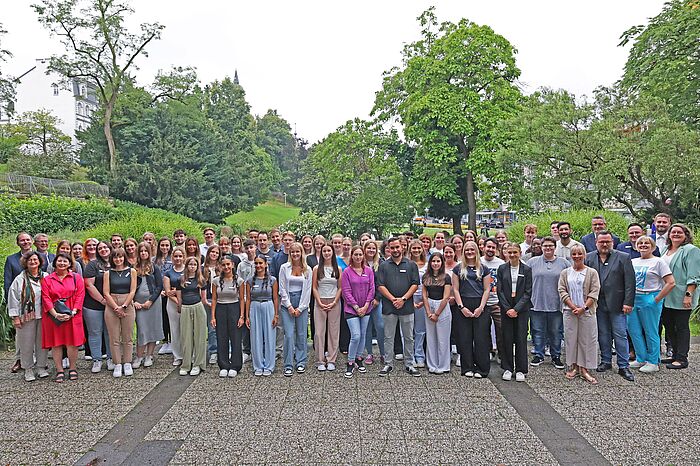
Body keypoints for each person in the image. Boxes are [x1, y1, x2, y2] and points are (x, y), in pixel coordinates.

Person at [584, 231, 636, 382]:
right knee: (603, 334)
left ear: (612, 242)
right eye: (602, 242)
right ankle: (606, 361)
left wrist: (628, 302)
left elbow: (630, 283)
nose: (604, 244)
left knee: (620, 335)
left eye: (607, 241)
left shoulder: (623, 257)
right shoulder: (589, 257)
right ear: (596, 243)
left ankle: (623, 365)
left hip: (618, 304)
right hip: (597, 304)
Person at [628, 236, 675, 373]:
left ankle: (653, 361)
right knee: (634, 330)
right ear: (636, 246)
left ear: (653, 246)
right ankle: (641, 357)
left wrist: (656, 300)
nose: (643, 245)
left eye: (646, 243)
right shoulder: (632, 261)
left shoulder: (658, 262)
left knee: (650, 330)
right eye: (640, 243)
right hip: (633, 299)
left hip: (650, 297)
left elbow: (671, 282)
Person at [376, 237, 421, 377]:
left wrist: (403, 299)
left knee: (408, 337)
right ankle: (388, 363)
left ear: (402, 247)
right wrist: (393, 299)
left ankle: (409, 363)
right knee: (388, 337)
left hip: (406, 306)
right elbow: (380, 285)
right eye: (392, 248)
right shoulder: (383, 265)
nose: (395, 250)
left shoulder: (411, 264)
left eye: (397, 247)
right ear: (388, 249)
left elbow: (415, 284)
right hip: (389, 307)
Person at [558, 244, 601, 384]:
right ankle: (574, 366)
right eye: (574, 254)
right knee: (571, 339)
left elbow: (594, 291)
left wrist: (583, 307)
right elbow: (562, 290)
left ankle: (584, 368)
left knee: (587, 339)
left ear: (584, 255)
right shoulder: (565, 272)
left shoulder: (592, 272)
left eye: (579, 254)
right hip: (569, 312)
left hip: (587, 311)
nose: (577, 256)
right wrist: (572, 306)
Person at [41, 253, 86, 382]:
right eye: (59, 261)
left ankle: (73, 368)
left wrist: (73, 311)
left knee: (72, 344)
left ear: (69, 263)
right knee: (56, 344)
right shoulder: (47, 279)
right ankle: (59, 369)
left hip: (73, 314)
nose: (62, 263)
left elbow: (80, 295)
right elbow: (45, 298)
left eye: (65, 261)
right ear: (54, 263)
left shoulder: (76, 278)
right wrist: (55, 314)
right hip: (53, 315)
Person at [660, 224, 700, 370]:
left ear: (686, 234)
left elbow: (694, 275)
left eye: (679, 232)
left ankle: (682, 358)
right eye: (673, 232)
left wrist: (688, 295)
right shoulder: (665, 249)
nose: (675, 234)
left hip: (682, 295)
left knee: (681, 326)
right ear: (669, 235)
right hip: (666, 295)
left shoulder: (691, 250)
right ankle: (674, 354)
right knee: (669, 325)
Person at [527, 237, 570, 369]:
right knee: (538, 330)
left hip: (556, 303)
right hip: (536, 302)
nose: (548, 248)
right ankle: (539, 354)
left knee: (556, 331)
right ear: (541, 247)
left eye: (551, 245)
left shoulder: (564, 263)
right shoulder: (532, 262)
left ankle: (555, 356)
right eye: (545, 246)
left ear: (555, 247)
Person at [452, 241, 492, 378]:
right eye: (467, 250)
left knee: (481, 338)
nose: (469, 252)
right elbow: (455, 290)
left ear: (476, 251)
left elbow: (487, 289)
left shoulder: (484, 268)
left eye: (472, 250)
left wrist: (481, 307)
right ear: (464, 251)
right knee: (465, 338)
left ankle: (482, 369)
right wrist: (461, 307)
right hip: (463, 305)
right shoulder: (458, 269)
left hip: (480, 305)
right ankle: (467, 367)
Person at [7, 251, 49, 381]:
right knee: (26, 344)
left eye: (35, 259)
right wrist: (15, 317)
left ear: (40, 262)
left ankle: (41, 367)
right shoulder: (20, 279)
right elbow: (12, 298)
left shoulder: (46, 277)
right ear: (25, 262)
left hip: (43, 315)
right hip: (26, 317)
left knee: (42, 343)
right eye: (30, 260)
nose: (33, 262)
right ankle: (28, 369)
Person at [497, 243, 532, 382]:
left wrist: (516, 309)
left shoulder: (527, 269)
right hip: (506, 308)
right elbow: (499, 290)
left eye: (515, 252)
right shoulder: (502, 268)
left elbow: (528, 292)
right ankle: (507, 368)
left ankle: (521, 369)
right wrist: (508, 309)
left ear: (520, 253)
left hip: (521, 309)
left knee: (521, 339)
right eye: (509, 252)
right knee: (506, 338)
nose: (512, 255)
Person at [278, 242, 313, 376]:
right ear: (290, 253)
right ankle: (288, 364)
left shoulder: (307, 269)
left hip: (301, 301)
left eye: (297, 252)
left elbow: (308, 290)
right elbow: (282, 289)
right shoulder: (284, 268)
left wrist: (301, 307)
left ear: (301, 253)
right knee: (289, 334)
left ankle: (301, 362)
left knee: (301, 334)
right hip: (287, 303)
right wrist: (289, 306)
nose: (295, 254)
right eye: (293, 252)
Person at [341, 246, 375, 378]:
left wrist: (366, 306)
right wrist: (356, 307)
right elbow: (346, 292)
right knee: (355, 335)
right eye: (356, 254)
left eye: (360, 254)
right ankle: (350, 361)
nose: (358, 257)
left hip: (366, 308)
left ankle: (359, 358)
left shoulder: (369, 271)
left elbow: (372, 289)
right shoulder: (347, 272)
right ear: (352, 256)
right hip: (351, 309)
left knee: (362, 334)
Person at [103, 248, 137, 378]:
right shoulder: (108, 273)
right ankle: (117, 363)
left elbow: (132, 290)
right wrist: (116, 308)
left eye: (121, 257)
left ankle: (127, 361)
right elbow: (106, 292)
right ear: (112, 259)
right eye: (116, 257)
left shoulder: (132, 271)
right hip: (112, 304)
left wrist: (124, 306)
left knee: (127, 336)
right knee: (114, 337)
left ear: (124, 258)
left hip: (127, 303)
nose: (118, 260)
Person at [4, 232, 34, 373]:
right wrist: (12, 305)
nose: (25, 242)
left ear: (32, 241)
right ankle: (19, 359)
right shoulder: (11, 260)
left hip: (36, 301)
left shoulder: (39, 257)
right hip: (20, 301)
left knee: (37, 332)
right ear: (18, 243)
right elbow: (8, 282)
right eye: (22, 240)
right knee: (20, 332)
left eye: (27, 239)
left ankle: (37, 360)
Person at [211, 255, 245, 378]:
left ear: (232, 265)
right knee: (222, 337)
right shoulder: (215, 281)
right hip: (220, 309)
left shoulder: (239, 281)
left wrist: (242, 316)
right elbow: (214, 299)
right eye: (223, 265)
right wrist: (213, 316)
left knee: (235, 337)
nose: (226, 267)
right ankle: (224, 365)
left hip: (234, 308)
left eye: (228, 264)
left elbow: (242, 299)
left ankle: (235, 365)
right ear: (220, 266)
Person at [245, 256, 279, 376]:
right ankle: (258, 365)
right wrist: (247, 316)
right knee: (256, 337)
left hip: (268, 306)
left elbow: (275, 298)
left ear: (265, 264)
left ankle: (269, 365)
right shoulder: (249, 281)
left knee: (269, 336)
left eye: (260, 263)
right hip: (254, 307)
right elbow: (248, 299)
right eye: (256, 263)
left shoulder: (272, 280)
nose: (258, 265)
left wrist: (276, 315)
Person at [82, 241, 113, 373]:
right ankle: (97, 360)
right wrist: (102, 300)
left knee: (110, 332)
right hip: (93, 305)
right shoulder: (92, 265)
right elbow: (89, 285)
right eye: (100, 248)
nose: (103, 250)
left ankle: (111, 358)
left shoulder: (117, 262)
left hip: (112, 304)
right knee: (95, 332)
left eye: (105, 247)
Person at [132, 242, 164, 369]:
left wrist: (150, 301)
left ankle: (149, 355)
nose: (143, 253)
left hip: (153, 303)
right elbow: (130, 287)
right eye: (141, 251)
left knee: (152, 328)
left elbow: (159, 286)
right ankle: (139, 356)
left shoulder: (154, 267)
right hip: (138, 304)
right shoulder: (133, 268)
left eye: (146, 251)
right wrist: (134, 301)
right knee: (142, 330)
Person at [312, 243, 342, 371]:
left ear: (332, 252)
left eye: (329, 251)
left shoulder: (338, 269)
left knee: (333, 332)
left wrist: (334, 302)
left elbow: (340, 287)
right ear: (321, 253)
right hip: (320, 302)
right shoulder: (316, 268)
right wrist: (318, 301)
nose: (327, 253)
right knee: (319, 332)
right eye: (324, 251)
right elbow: (314, 287)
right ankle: (320, 360)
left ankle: (331, 359)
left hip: (334, 302)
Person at [421, 252, 452, 374]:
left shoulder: (446, 277)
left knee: (443, 338)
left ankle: (443, 365)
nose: (435, 263)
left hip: (442, 307)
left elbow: (446, 297)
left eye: (438, 261)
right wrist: (429, 312)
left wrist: (437, 314)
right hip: (429, 305)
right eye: (433, 261)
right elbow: (424, 295)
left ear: (442, 263)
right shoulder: (425, 277)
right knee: (431, 337)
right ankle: (432, 364)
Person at [176, 257, 208, 376]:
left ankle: (198, 364)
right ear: (186, 266)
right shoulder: (181, 279)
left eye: (194, 264)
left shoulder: (201, 279)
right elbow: (179, 297)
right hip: (185, 307)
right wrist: (179, 307)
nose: (192, 266)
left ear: (197, 266)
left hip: (198, 307)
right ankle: (186, 364)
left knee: (199, 336)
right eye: (190, 264)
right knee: (186, 337)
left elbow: (203, 298)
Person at [481, 238, 505, 363]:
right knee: (484, 329)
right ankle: (489, 351)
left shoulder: (501, 264)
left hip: (497, 302)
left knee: (501, 329)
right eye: (488, 247)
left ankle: (501, 353)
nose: (490, 250)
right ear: (483, 248)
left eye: (493, 248)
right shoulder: (478, 262)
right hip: (482, 303)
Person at [362, 240, 385, 365]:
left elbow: (381, 283)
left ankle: (382, 353)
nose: (371, 250)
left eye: (373, 248)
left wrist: (377, 298)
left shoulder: (381, 263)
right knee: (367, 327)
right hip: (363, 301)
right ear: (364, 249)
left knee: (380, 326)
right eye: (368, 248)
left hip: (377, 301)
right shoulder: (359, 262)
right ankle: (369, 353)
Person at [163, 247, 186, 367]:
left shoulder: (188, 271)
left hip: (187, 303)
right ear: (172, 258)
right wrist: (178, 300)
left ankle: (188, 354)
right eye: (176, 256)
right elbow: (167, 292)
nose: (178, 258)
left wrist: (176, 291)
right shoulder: (168, 273)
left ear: (183, 257)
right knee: (175, 330)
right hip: (172, 304)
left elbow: (189, 288)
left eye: (180, 256)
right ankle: (177, 356)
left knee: (187, 330)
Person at [409, 240, 428, 368]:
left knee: (420, 330)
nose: (416, 250)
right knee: (408, 330)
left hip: (423, 299)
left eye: (418, 248)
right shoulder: (407, 264)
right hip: (409, 299)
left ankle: (419, 355)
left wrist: (423, 301)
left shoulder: (427, 265)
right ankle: (409, 356)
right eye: (413, 248)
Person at [201, 245, 221, 364]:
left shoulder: (222, 267)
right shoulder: (203, 268)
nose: (214, 254)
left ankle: (225, 350)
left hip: (221, 299)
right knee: (211, 327)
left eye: (216, 252)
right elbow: (200, 285)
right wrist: (204, 300)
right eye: (212, 252)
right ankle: (213, 351)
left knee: (223, 327)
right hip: (207, 299)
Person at [155, 237, 173, 355]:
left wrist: (169, 290)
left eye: (167, 245)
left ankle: (173, 341)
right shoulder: (154, 260)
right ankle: (165, 341)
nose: (165, 248)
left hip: (171, 292)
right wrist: (159, 290)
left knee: (170, 317)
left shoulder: (173, 258)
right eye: (162, 245)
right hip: (158, 293)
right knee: (162, 318)